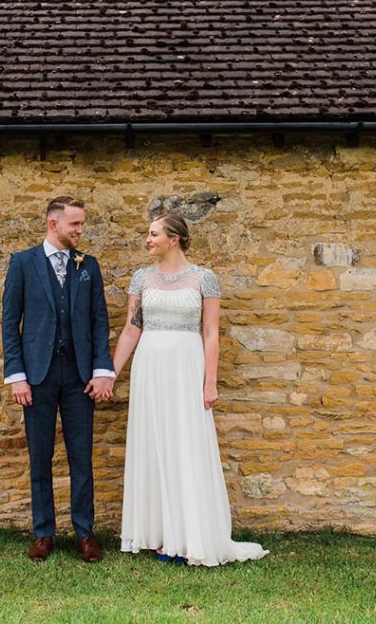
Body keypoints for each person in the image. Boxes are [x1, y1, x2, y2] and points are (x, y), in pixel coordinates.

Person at [112, 212, 268, 567]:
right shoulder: (141, 278)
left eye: (153, 234)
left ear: (174, 239)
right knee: (155, 444)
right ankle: (162, 534)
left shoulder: (204, 279)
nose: (147, 240)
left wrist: (209, 381)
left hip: (186, 365)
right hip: (150, 366)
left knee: (185, 443)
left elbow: (210, 333)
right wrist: (111, 373)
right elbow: (131, 330)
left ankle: (190, 535)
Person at [1, 196, 115, 563]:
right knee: (40, 456)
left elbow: (100, 321)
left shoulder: (89, 266)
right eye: (75, 225)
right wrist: (17, 376)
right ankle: (43, 532)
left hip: (80, 376)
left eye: (81, 224)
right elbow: (10, 323)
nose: (81, 230)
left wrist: (101, 371)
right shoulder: (23, 263)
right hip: (37, 376)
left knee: (81, 456)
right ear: (54, 224)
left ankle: (85, 532)